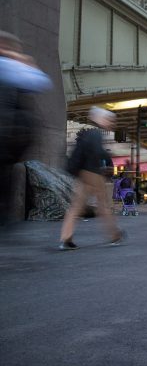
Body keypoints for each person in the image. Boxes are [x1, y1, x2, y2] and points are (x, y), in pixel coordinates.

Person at [0, 31, 52, 224]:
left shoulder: (8, 66)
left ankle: (5, 218)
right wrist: (24, 62)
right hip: (10, 138)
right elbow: (40, 81)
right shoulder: (10, 66)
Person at [60, 107, 124, 250]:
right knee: (103, 206)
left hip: (83, 173)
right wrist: (108, 159)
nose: (111, 123)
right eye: (108, 119)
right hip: (93, 173)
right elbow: (97, 152)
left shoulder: (87, 133)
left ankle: (66, 238)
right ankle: (115, 235)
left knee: (76, 207)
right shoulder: (96, 134)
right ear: (99, 119)